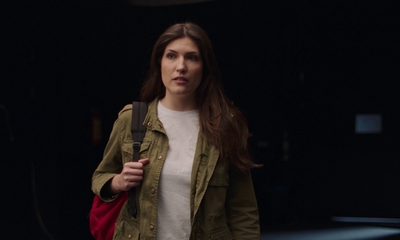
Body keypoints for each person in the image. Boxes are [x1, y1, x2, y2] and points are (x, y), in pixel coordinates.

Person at [92, 22, 261, 240]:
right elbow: (100, 176)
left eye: (192, 57)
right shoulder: (133, 119)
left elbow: (243, 210)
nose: (181, 66)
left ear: (204, 67)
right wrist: (118, 182)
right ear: (159, 63)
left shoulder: (225, 126)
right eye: (171, 56)